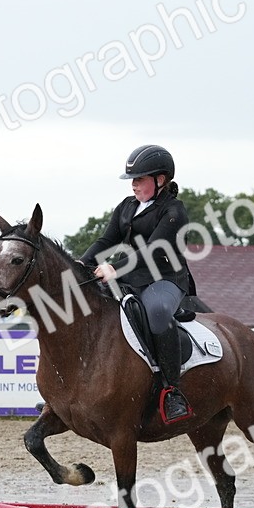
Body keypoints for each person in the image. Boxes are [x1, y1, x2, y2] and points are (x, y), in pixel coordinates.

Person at [80, 144, 194, 424]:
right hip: (132, 278)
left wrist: (113, 269)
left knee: (156, 313)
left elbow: (154, 251)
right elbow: (106, 241)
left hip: (165, 279)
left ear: (160, 180)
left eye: (140, 179)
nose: (133, 185)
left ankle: (172, 391)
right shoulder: (127, 207)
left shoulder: (173, 211)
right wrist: (80, 267)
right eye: (132, 179)